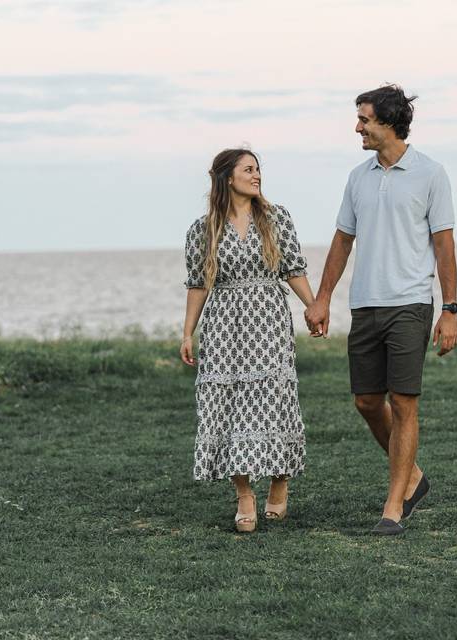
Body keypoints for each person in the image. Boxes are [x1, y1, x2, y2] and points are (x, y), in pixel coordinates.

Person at [304, 85, 457, 536]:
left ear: (389, 121)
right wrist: (322, 297)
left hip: (410, 303)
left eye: (364, 120)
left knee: (403, 402)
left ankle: (395, 504)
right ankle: (412, 476)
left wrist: (449, 309)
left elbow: (443, 245)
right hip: (365, 304)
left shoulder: (431, 173)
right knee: (367, 401)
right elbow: (341, 240)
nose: (358, 128)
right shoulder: (359, 177)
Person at [180, 148, 318, 533]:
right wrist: (187, 332)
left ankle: (280, 479)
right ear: (228, 178)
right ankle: (244, 494)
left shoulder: (276, 219)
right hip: (224, 324)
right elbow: (197, 284)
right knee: (226, 405)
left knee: (274, 400)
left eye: (258, 170)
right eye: (248, 170)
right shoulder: (203, 228)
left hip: (268, 319)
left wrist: (314, 307)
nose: (257, 176)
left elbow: (293, 268)